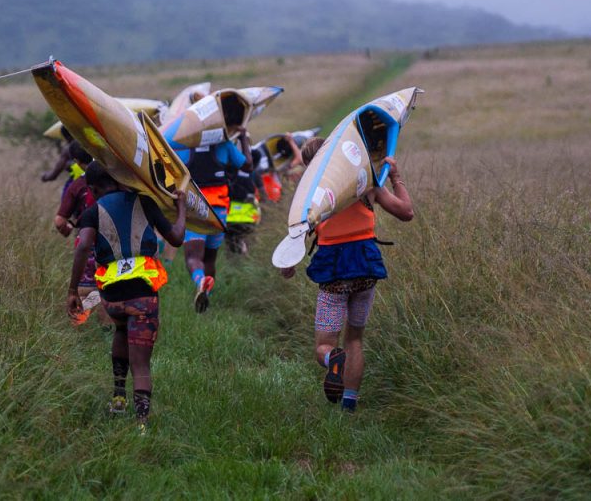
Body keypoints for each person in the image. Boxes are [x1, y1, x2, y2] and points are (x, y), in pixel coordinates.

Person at [280, 138, 413, 412]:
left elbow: (297, 236)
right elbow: (406, 212)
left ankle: (333, 360)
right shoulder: (366, 184)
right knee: (354, 339)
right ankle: (349, 405)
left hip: (334, 277)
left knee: (324, 346)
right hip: (366, 270)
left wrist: (288, 264)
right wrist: (396, 177)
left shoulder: (312, 197)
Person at [67, 162, 186, 431]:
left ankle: (118, 398)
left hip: (112, 297)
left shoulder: (92, 212)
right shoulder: (145, 202)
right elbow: (177, 238)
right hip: (142, 296)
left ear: (93, 188)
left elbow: (83, 246)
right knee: (140, 363)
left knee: (121, 330)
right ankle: (141, 423)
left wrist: (73, 290)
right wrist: (181, 208)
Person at [175, 125, 252, 313]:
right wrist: (243, 137)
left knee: (193, 257)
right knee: (210, 259)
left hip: (195, 209)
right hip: (219, 211)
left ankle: (200, 281)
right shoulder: (224, 145)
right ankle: (205, 301)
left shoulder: (182, 145)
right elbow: (248, 166)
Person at [53, 141, 105, 326]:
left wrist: (68, 229)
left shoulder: (77, 185)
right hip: (114, 243)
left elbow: (60, 221)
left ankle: (80, 326)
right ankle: (107, 330)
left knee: (85, 289)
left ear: (76, 161)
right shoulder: (114, 179)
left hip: (86, 243)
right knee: (110, 289)